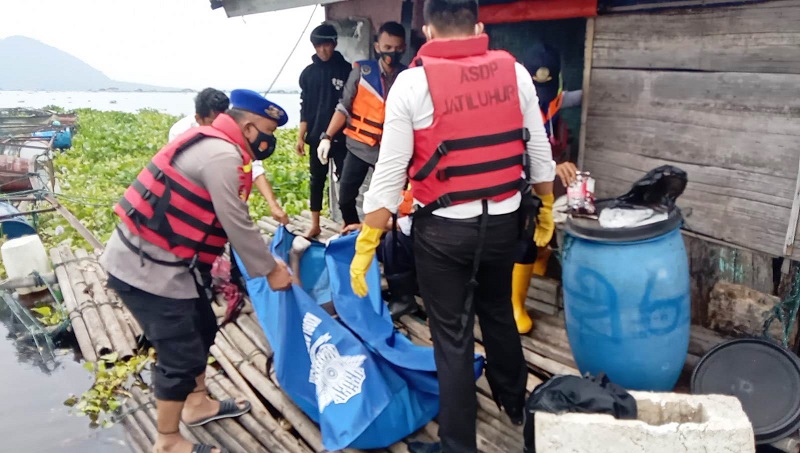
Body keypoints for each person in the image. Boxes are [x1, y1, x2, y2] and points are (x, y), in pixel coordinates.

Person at [349, 1, 555, 451]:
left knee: (452, 337)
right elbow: (539, 152)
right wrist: (546, 206)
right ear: (478, 25)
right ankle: (515, 405)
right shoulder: (516, 72)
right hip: (504, 224)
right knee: (498, 312)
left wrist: (368, 238)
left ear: (425, 31)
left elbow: (389, 173)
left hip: (442, 233)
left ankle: (458, 444)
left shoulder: (411, 82)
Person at [100, 89, 293, 453]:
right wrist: (269, 270)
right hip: (145, 268)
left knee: (203, 324)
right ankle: (168, 440)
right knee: (180, 351)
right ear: (249, 128)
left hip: (173, 262)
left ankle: (196, 403)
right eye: (269, 131)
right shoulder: (220, 154)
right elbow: (235, 219)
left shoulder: (217, 142)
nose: (271, 140)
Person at [511, 43, 584, 333]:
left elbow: (583, 97)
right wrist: (554, 167)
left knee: (547, 230)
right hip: (512, 183)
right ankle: (514, 306)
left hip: (541, 181)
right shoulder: (507, 106)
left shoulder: (553, 100)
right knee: (522, 239)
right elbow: (518, 158)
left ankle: (538, 278)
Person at [317, 21, 408, 231]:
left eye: (397, 48)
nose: (392, 53)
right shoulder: (361, 72)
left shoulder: (408, 77)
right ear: (377, 47)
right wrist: (327, 137)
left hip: (390, 152)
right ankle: (351, 231)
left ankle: (385, 244)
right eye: (387, 48)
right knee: (345, 196)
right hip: (358, 146)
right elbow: (344, 107)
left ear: (403, 48)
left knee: (389, 203)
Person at [169, 88, 290, 225]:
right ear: (198, 118)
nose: (217, 127)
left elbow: (255, 169)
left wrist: (273, 205)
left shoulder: (234, 134)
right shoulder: (181, 131)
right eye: (211, 122)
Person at [296, 23, 353, 238]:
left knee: (345, 181)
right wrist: (301, 136)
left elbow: (349, 106)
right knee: (316, 180)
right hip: (316, 136)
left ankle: (346, 223)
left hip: (341, 137)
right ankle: (315, 224)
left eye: (326, 45)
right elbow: (305, 106)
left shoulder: (346, 70)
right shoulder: (308, 74)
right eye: (318, 46)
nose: (322, 51)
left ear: (335, 43)